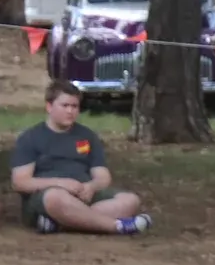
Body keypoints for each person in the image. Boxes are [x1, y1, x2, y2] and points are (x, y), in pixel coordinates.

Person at [9, 81, 152, 236]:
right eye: (65, 106)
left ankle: (62, 222)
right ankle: (116, 226)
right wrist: (60, 184)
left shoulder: (87, 136)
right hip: (47, 196)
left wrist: (91, 186)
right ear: (49, 107)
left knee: (130, 200)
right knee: (55, 197)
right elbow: (20, 182)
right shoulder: (30, 138)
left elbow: (103, 177)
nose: (70, 111)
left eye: (75, 106)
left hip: (83, 193)